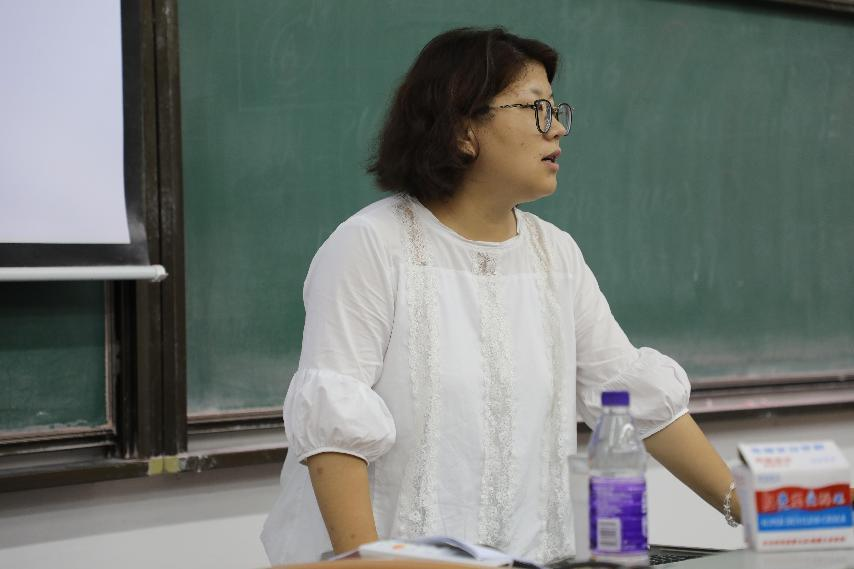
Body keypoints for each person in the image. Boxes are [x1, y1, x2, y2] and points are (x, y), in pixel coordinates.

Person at [261, 27, 740, 566]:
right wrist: (366, 562)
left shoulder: (554, 253)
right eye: (537, 109)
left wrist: (747, 506)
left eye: (556, 110)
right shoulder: (372, 245)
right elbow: (335, 428)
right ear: (463, 130)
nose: (557, 127)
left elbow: (633, 400)